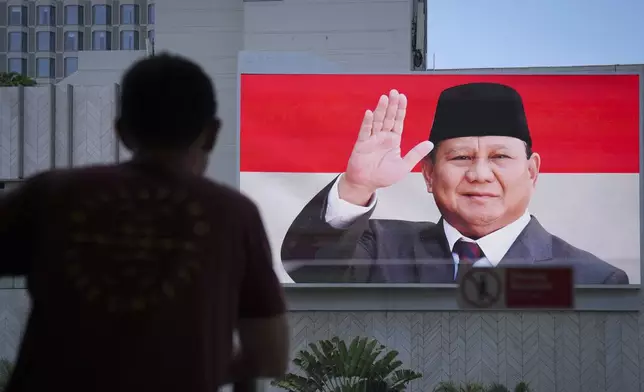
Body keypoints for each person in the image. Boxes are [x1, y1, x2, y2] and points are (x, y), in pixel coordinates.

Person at [0, 53, 289, 392]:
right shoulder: (234, 214)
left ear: (123, 132)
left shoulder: (52, 193)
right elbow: (269, 356)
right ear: (210, 134)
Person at [281, 83, 628, 285]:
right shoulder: (381, 249)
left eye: (500, 157)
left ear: (532, 172)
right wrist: (356, 186)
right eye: (461, 158)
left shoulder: (589, 278)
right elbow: (307, 268)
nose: (479, 174)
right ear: (429, 175)